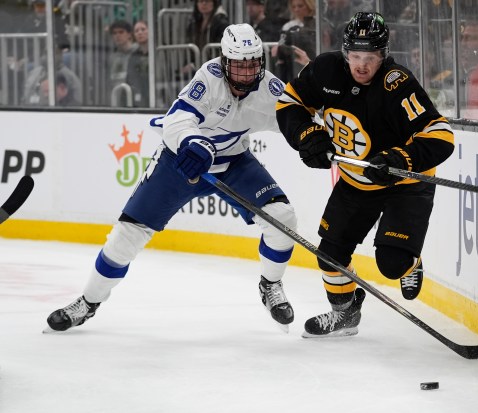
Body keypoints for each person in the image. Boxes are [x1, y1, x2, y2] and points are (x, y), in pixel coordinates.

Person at [47, 24, 298, 333]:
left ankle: (270, 284)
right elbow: (178, 118)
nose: (247, 72)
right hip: (180, 163)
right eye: (239, 64)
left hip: (233, 162)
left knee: (282, 216)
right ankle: (87, 302)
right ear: (224, 61)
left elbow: (297, 119)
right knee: (127, 235)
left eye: (253, 63)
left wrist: (314, 137)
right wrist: (194, 143)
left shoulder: (270, 89)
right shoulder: (209, 79)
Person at [275, 12, 454, 338]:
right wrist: (305, 135)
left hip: (405, 182)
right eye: (355, 56)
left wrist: (401, 157)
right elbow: (289, 102)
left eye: (369, 58)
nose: (361, 65)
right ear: (345, 53)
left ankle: (409, 264)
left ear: (383, 55)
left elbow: (441, 135)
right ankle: (345, 313)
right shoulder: (325, 70)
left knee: (391, 263)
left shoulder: (396, 83)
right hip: (357, 180)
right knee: (330, 254)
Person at [107, 19, 137, 104]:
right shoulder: (112, 57)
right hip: (116, 98)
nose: (117, 36)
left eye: (121, 32)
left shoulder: (136, 53)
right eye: (115, 33)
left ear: (129, 34)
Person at [125, 20, 150, 107]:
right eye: (136, 31)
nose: (140, 33)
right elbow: (131, 78)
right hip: (140, 96)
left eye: (143, 29)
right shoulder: (133, 56)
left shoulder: (159, 52)